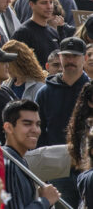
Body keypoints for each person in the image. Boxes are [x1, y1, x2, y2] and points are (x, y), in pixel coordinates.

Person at [35, 37, 89, 207]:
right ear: (59, 57)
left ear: (84, 58)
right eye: (66, 56)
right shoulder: (44, 93)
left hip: (88, 166)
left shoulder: (90, 90)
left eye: (75, 56)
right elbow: (38, 129)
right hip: (57, 168)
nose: (70, 60)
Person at [2, 100, 61, 209]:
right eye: (27, 124)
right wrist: (44, 201)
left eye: (38, 124)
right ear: (8, 127)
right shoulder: (8, 163)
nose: (35, 130)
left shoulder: (18, 159)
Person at [12, 0, 61, 69]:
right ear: (32, 4)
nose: (49, 7)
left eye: (51, 2)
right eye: (44, 3)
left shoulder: (53, 33)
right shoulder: (22, 33)